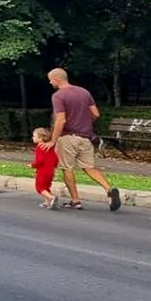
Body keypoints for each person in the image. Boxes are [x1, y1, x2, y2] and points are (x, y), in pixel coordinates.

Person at [42, 68, 121, 211]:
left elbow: (60, 120)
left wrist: (53, 140)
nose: (50, 82)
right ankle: (109, 189)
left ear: (57, 79)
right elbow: (95, 114)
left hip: (68, 138)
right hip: (86, 137)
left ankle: (75, 201)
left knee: (67, 168)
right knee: (89, 167)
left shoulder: (58, 96)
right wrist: (83, 123)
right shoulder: (84, 92)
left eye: (50, 79)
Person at [30, 127, 59, 209]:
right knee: (46, 187)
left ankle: (51, 197)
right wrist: (54, 167)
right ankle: (47, 202)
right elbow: (56, 158)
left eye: (34, 136)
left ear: (41, 138)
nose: (32, 138)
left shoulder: (39, 147)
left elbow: (40, 161)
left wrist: (33, 165)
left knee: (40, 187)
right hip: (50, 171)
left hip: (42, 171)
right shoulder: (49, 147)